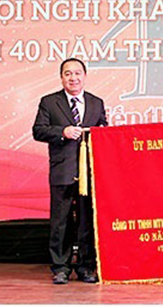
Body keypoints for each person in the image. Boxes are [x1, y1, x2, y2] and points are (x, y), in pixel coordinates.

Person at [33, 58, 108, 284]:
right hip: (62, 171)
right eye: (68, 74)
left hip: (89, 173)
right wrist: (62, 132)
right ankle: (61, 268)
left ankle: (86, 267)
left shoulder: (96, 102)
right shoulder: (49, 102)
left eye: (77, 73)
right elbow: (38, 131)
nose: (73, 78)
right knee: (61, 222)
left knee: (87, 221)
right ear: (61, 77)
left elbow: (104, 131)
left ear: (84, 76)